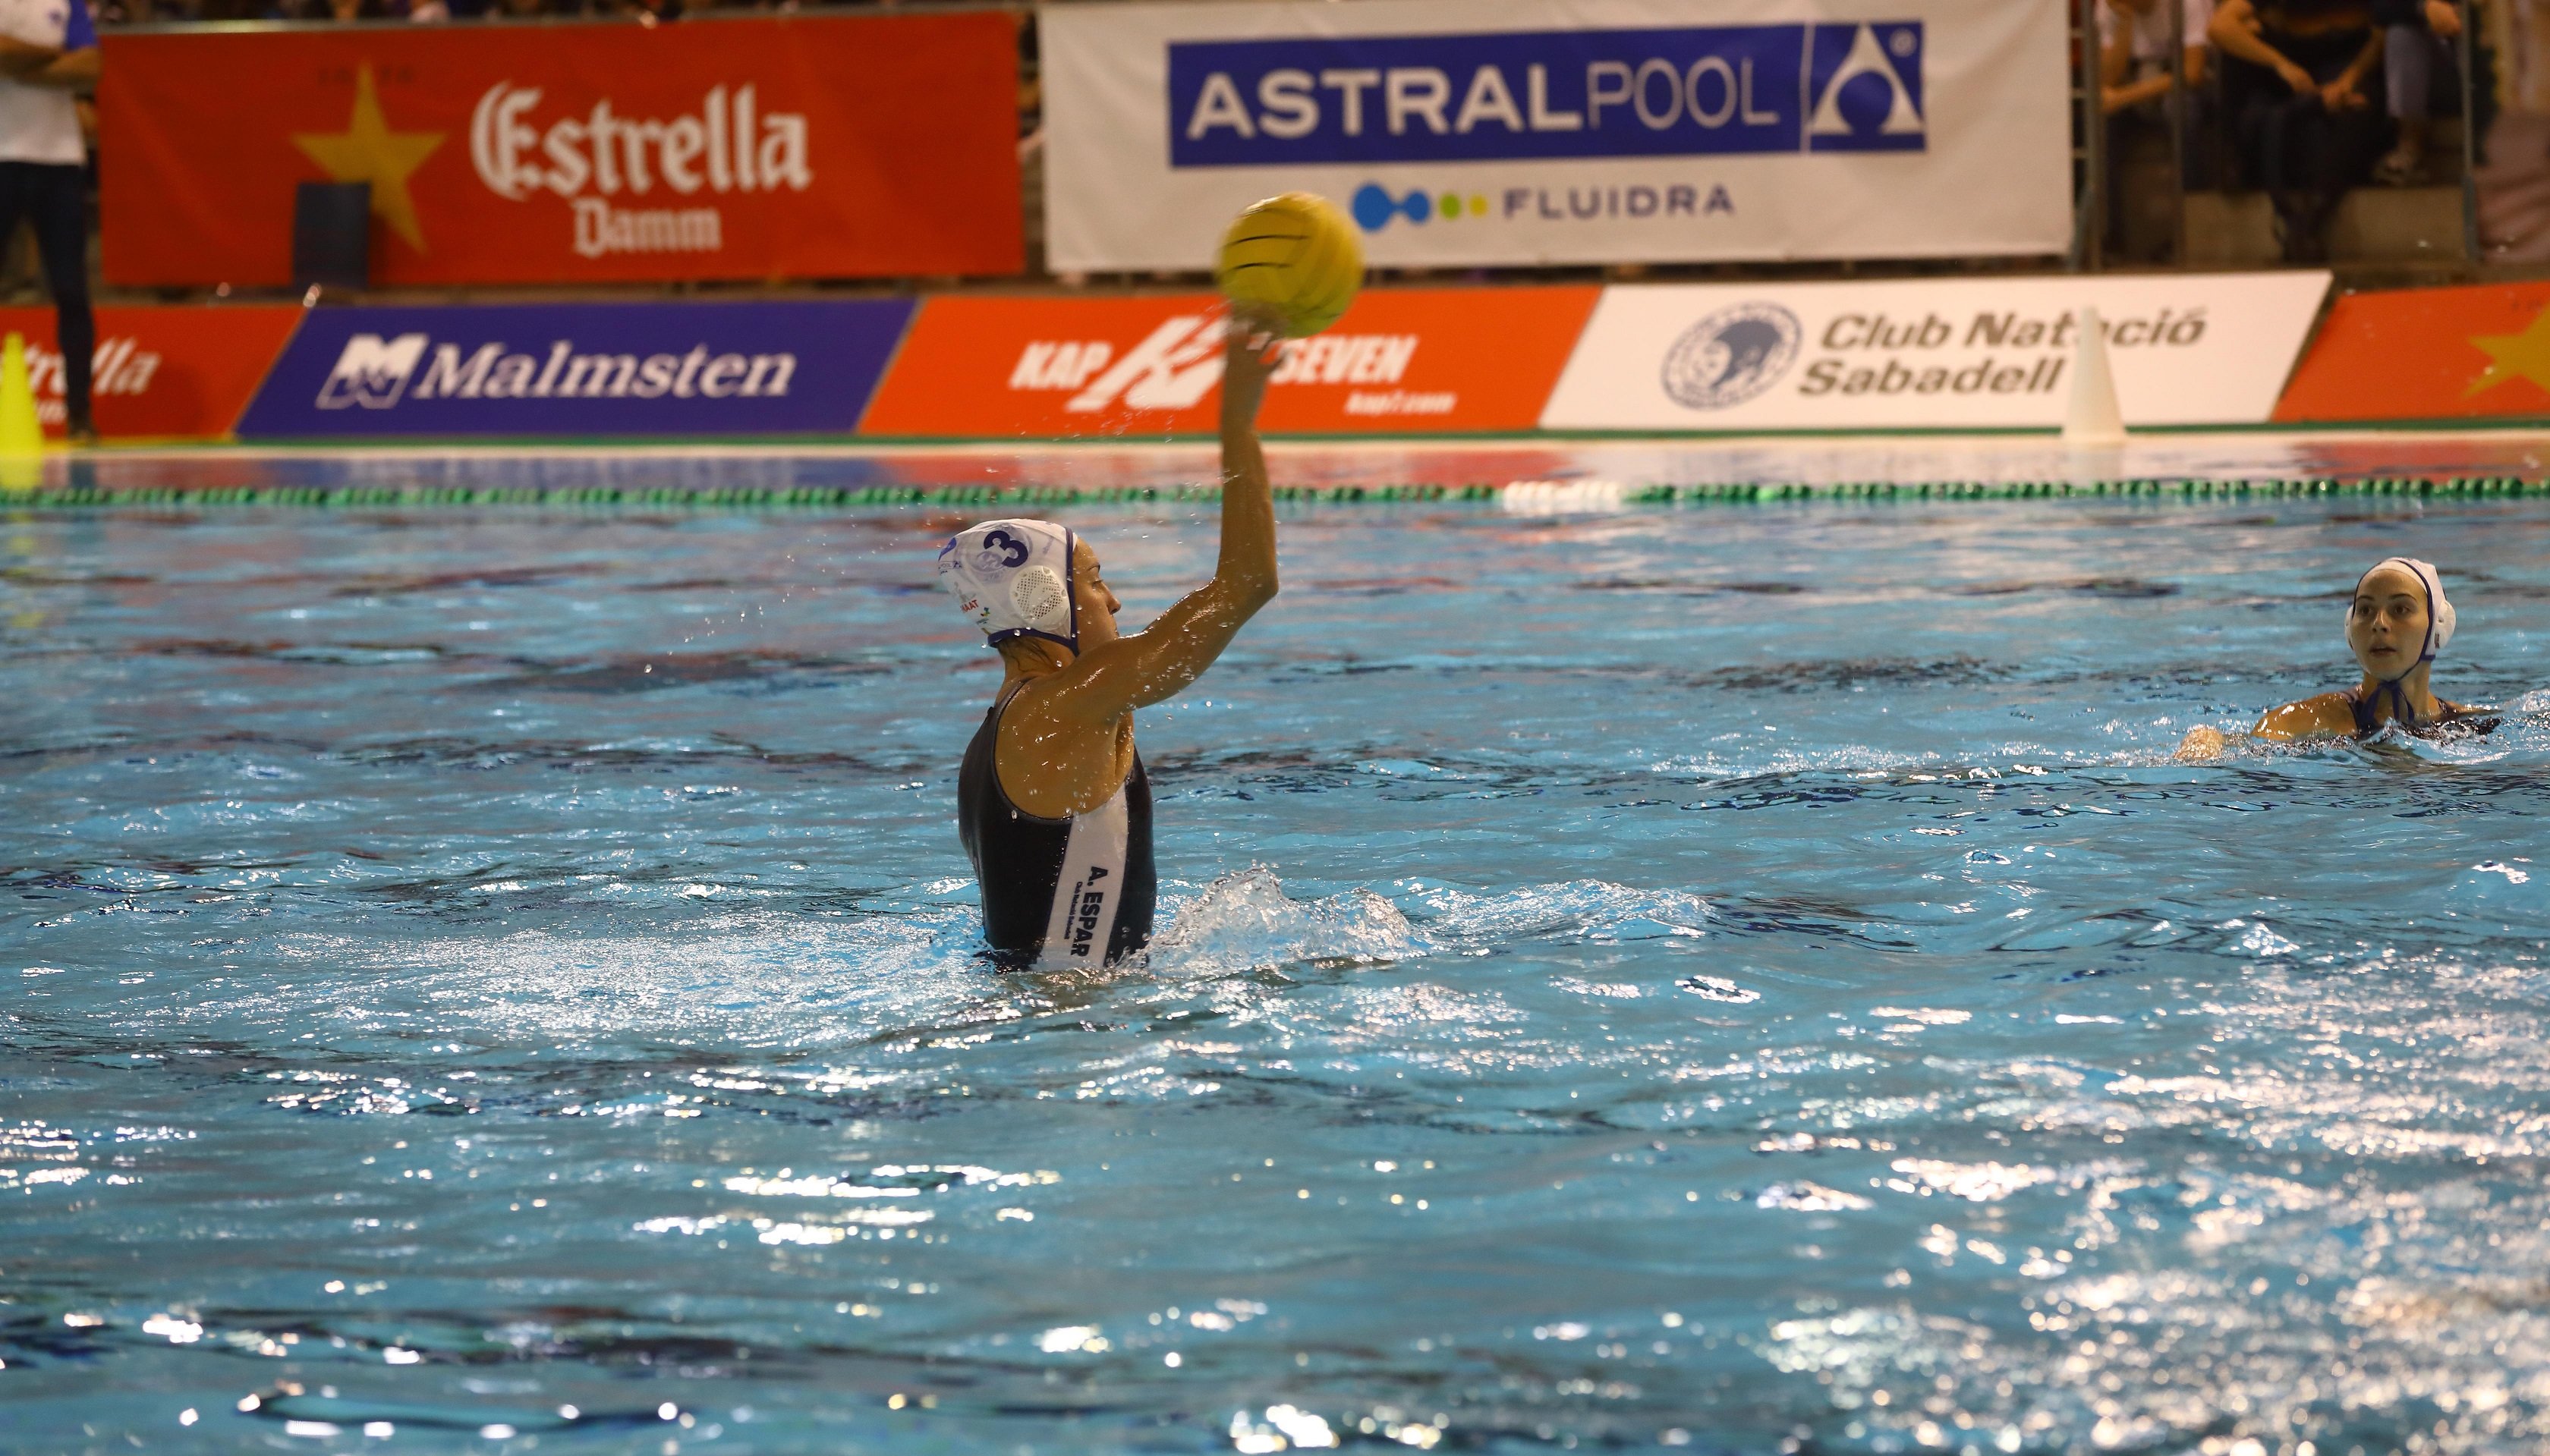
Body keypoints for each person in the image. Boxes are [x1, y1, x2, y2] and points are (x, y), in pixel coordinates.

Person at [937, 312, 1283, 970]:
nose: (1114, 601)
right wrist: (1238, 420)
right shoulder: (1061, 710)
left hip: (1036, 1017)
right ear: (1046, 600)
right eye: (1095, 582)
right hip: (1071, 1030)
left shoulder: (993, 739)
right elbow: (1247, 585)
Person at [2177, 557, 2490, 759]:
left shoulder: (2470, 724)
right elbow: (2240, 746)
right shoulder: (2306, 719)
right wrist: (2210, 738)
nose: (2379, 623)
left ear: (2438, 627)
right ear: (2349, 631)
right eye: (2365, 610)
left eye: (2400, 609)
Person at [2211, 0, 2389, 262]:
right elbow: (2219, 27)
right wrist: (2280, 63)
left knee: (2362, 108)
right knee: (2239, 45)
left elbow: (2385, 31)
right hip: (2295, 68)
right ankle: (2235, 156)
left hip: (2352, 66)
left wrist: (2348, 81)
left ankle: (2310, 219)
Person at [0, 0, 96, 444]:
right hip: (2, 155)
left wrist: (17, 64)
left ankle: (79, 417)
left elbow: (92, 66)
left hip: (60, 158)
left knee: (72, 291)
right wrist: (55, 55)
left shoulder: (66, 2)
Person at [2372, 0, 2461, 184]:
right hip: (2442, 69)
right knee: (2401, 34)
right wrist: (2425, 6)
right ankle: (2409, 147)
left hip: (2494, 64)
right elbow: (2381, 10)